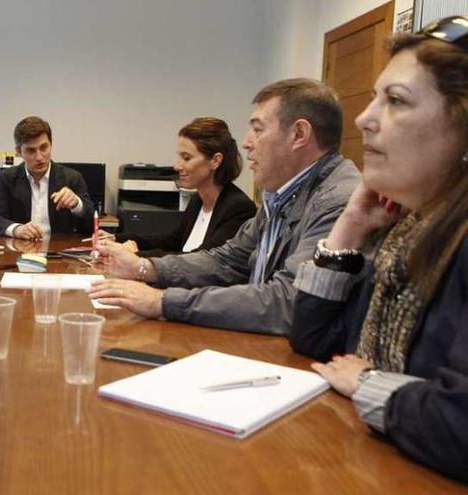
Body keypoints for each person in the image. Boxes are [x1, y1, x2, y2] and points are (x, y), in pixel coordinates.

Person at [289, 18, 468, 480]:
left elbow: (460, 423)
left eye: (396, 101)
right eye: (374, 97)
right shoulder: (406, 230)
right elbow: (314, 341)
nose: (365, 118)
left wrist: (368, 382)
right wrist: (349, 228)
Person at [88, 78, 361, 335]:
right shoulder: (278, 195)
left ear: (299, 134)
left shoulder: (336, 201)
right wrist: (144, 267)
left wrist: (163, 300)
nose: (246, 143)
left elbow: (288, 300)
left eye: (258, 129)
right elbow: (227, 259)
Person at [115, 117, 256, 257]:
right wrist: (116, 240)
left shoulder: (238, 208)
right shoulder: (197, 200)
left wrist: (135, 256)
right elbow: (173, 241)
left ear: (215, 161)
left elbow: (199, 260)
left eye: (187, 158)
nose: (177, 166)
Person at [0, 116, 94, 239]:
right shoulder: (7, 179)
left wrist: (77, 204)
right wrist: (16, 229)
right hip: (21, 251)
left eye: (44, 148)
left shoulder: (72, 178)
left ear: (51, 145)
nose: (39, 157)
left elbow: (92, 225)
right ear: (19, 151)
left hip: (60, 252)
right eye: (31, 151)